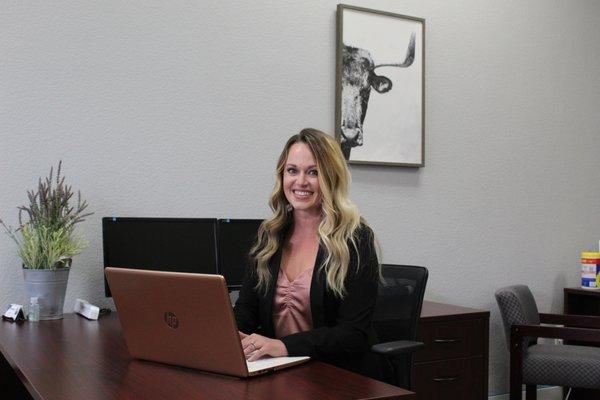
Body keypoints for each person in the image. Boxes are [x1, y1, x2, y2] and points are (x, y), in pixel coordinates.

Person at [234, 128, 381, 376]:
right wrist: (231, 335)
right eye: (292, 170)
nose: (301, 181)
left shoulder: (355, 239)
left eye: (313, 172)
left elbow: (353, 334)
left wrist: (283, 346)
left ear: (331, 177)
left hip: (335, 373)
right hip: (278, 371)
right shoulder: (269, 236)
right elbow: (247, 310)